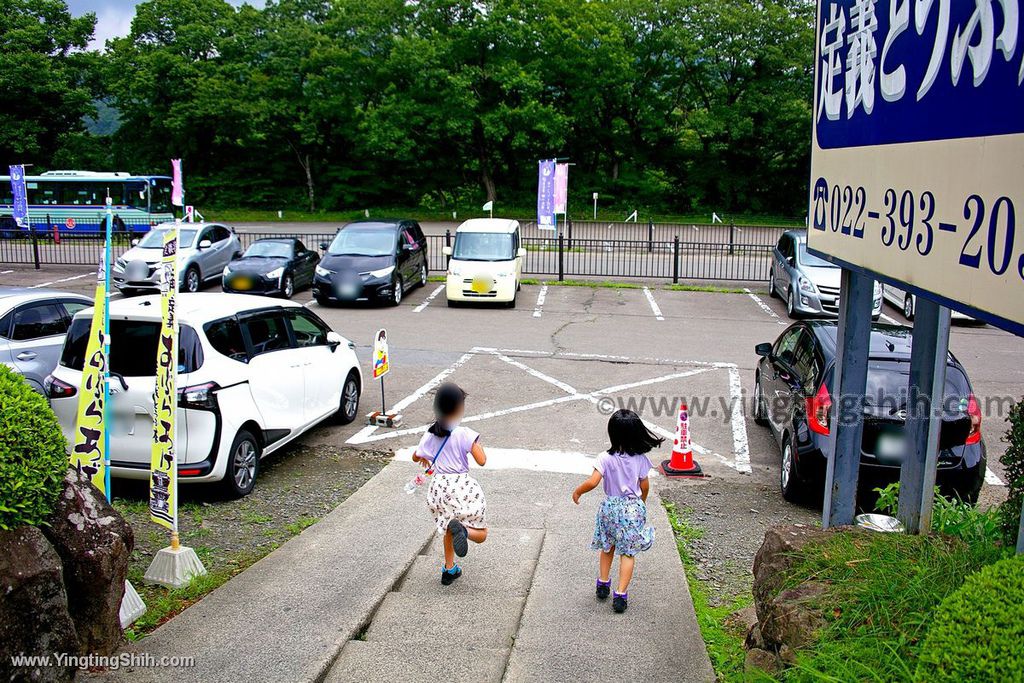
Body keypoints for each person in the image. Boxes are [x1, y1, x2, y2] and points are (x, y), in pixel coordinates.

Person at [572, 409, 659, 613]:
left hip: (610, 508)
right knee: (627, 553)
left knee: (607, 546)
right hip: (632, 509)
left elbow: (593, 481)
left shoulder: (605, 457)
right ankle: (620, 595)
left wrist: (578, 491)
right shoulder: (640, 459)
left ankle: (603, 583)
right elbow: (644, 486)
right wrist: (641, 503)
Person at [412, 383, 489, 585]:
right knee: (481, 534)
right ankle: (464, 531)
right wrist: (475, 443)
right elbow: (482, 460)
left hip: (438, 489)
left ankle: (449, 569)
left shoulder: (430, 433)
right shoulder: (464, 433)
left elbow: (416, 456)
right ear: (459, 408)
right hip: (460, 487)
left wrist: (425, 458)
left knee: (449, 527)